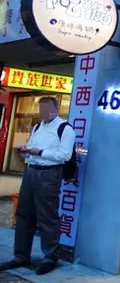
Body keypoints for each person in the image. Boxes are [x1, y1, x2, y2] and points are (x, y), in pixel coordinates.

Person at [0, 97, 74, 275]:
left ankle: (50, 257)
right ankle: (21, 256)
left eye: (46, 109)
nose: (43, 113)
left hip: (49, 174)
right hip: (31, 171)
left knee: (47, 216)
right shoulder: (37, 127)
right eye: (41, 109)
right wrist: (25, 151)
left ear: (55, 109)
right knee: (23, 214)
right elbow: (32, 149)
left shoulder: (65, 128)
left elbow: (65, 155)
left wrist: (40, 152)